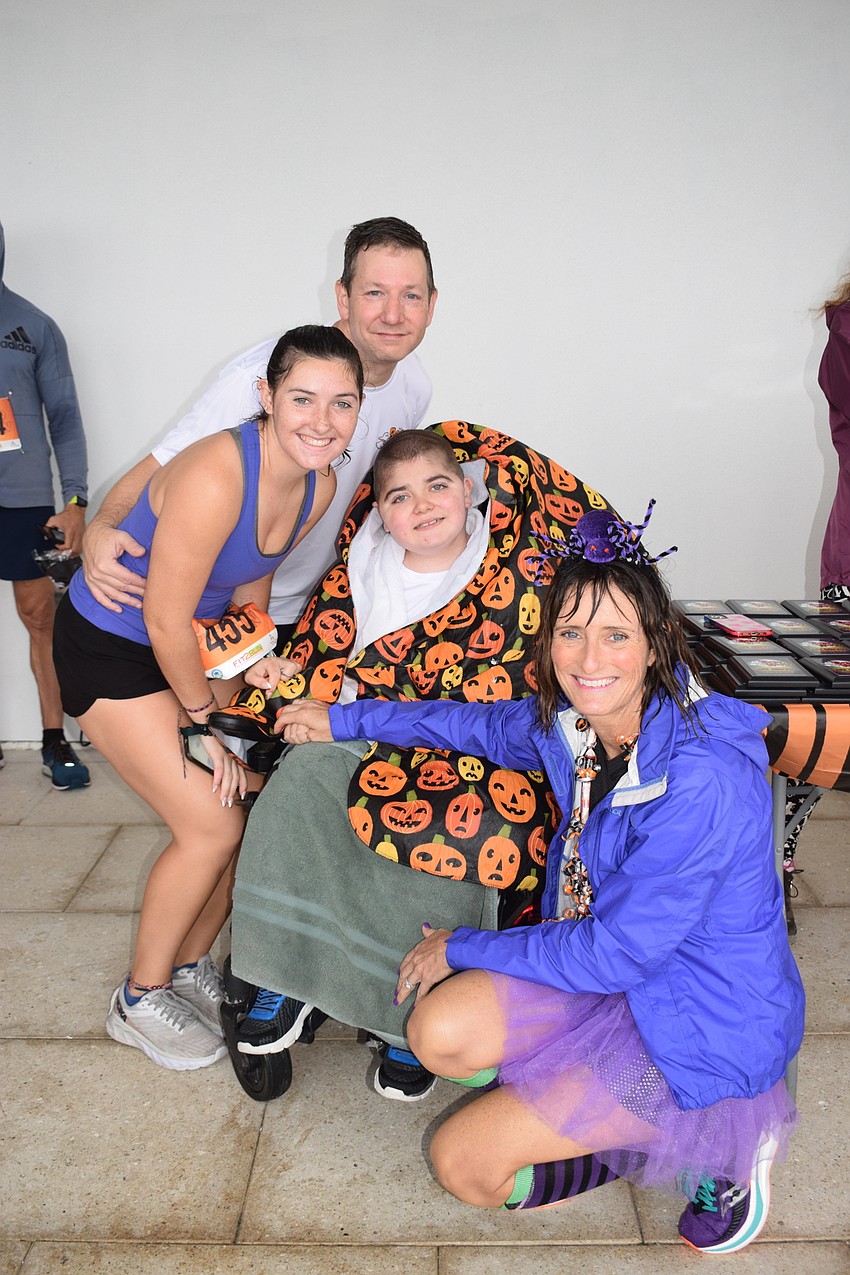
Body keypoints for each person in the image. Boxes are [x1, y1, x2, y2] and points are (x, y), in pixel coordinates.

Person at [276, 506, 804, 1256]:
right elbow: (470, 727)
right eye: (570, 631)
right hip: (606, 971)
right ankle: (612, 1126)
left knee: (463, 1164)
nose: (589, 657)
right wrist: (344, 720)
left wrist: (464, 945)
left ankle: (711, 1144)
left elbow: (616, 955)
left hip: (696, 1022)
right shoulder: (577, 722)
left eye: (615, 634)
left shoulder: (702, 780)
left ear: (655, 644)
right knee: (435, 1030)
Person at [217, 423, 612, 1103]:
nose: (423, 505)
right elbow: (324, 661)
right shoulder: (360, 567)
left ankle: (414, 1011)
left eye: (437, 486)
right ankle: (285, 974)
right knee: (304, 777)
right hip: (363, 726)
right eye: (399, 496)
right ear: (378, 511)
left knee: (466, 823)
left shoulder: (517, 565)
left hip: (474, 746)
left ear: (468, 490)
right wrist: (287, 679)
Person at [52, 325, 364, 1071]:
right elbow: (162, 616)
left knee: (253, 805)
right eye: (302, 399)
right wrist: (204, 726)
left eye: (341, 403)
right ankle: (139, 996)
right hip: (112, 648)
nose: (321, 421)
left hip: (185, 647)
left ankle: (191, 960)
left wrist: (251, 666)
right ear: (266, 396)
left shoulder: (317, 482)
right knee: (212, 823)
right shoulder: (217, 473)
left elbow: (249, 584)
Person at [82, 216, 437, 645]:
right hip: (222, 607)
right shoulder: (262, 378)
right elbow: (165, 465)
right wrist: (100, 526)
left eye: (410, 296)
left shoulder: (414, 384)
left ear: (431, 305)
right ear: (343, 298)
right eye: (375, 293)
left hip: (329, 606)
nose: (393, 314)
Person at [0, 221, 90, 788]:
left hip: (22, 501)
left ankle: (54, 741)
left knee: (40, 619)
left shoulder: (32, 326)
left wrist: (76, 499)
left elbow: (65, 418)